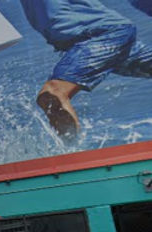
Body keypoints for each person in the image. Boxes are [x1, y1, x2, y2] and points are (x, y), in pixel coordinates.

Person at [20, 0, 152, 140]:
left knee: (55, 94)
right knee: (54, 93)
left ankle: (71, 148)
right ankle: (59, 89)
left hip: (79, 31)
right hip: (93, 30)